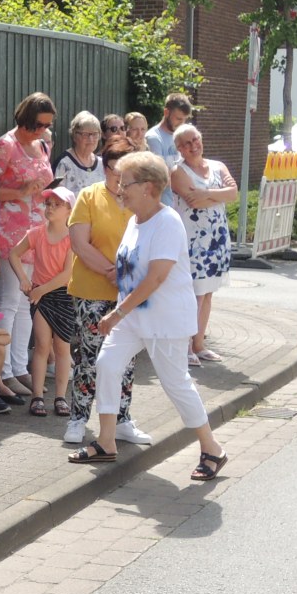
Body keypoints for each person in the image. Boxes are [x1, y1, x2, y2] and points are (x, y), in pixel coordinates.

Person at [67, 154, 229, 482]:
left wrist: (117, 313)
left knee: (176, 383)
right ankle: (106, 442)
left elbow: (155, 278)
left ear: (148, 188)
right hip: (133, 317)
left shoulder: (168, 222)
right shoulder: (135, 221)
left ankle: (212, 448)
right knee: (107, 364)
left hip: (165, 319)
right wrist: (122, 313)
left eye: (125, 183)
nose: (119, 189)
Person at [62, 138, 153, 448]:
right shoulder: (89, 196)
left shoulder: (141, 201)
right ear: (105, 167)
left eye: (127, 172)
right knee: (90, 356)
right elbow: (79, 243)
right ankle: (78, 418)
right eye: (115, 170)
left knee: (126, 358)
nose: (119, 177)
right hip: (92, 290)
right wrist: (112, 272)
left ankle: (122, 419)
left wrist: (127, 278)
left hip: (128, 293)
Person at [0, 92, 57, 400]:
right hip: (9, 234)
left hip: (36, 232)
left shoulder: (41, 145)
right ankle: (2, 372)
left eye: (47, 125)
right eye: (38, 124)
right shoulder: (5, 146)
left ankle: (19, 367)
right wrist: (20, 191)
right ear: (25, 119)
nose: (43, 130)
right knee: (8, 301)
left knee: (29, 302)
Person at [169, 124, 238, 365]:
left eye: (195, 139)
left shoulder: (218, 166)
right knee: (193, 294)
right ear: (179, 148)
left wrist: (206, 193)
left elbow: (233, 194)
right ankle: (185, 346)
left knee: (207, 293)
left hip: (217, 239)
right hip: (193, 241)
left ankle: (199, 344)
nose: (193, 145)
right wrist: (219, 194)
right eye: (187, 143)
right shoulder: (178, 171)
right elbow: (194, 202)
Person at [7, 187, 76, 418]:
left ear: (69, 210)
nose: (51, 208)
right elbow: (14, 254)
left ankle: (60, 397)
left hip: (62, 295)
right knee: (42, 346)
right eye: (48, 204)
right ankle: (37, 396)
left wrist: (39, 290)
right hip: (40, 296)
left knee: (63, 347)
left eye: (57, 204)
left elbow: (67, 274)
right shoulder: (36, 233)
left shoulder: (72, 238)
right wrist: (24, 279)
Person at [55, 112, 105, 195]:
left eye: (95, 134)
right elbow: (57, 197)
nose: (91, 139)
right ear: (74, 136)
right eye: (85, 134)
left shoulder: (101, 163)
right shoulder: (64, 163)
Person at [145, 93, 193, 166]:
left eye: (185, 119)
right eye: (179, 119)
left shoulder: (182, 136)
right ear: (166, 112)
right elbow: (158, 170)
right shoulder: (153, 138)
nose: (182, 123)